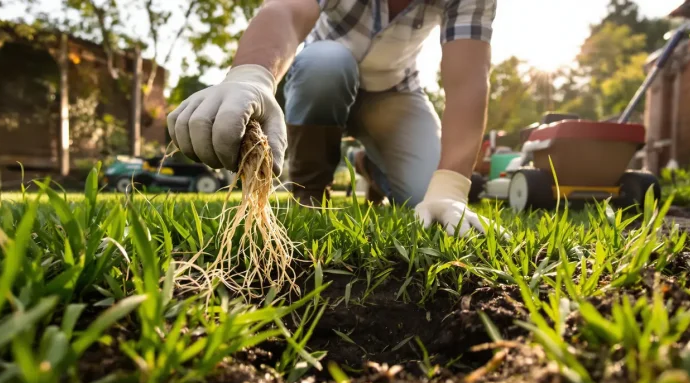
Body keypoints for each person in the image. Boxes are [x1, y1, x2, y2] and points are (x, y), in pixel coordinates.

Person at [166, 0, 501, 237]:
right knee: (326, 62)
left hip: (395, 93)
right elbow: (287, 9)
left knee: (425, 197)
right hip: (322, 79)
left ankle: (369, 167)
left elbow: (468, 79)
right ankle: (310, 190)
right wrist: (252, 75)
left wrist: (450, 187)